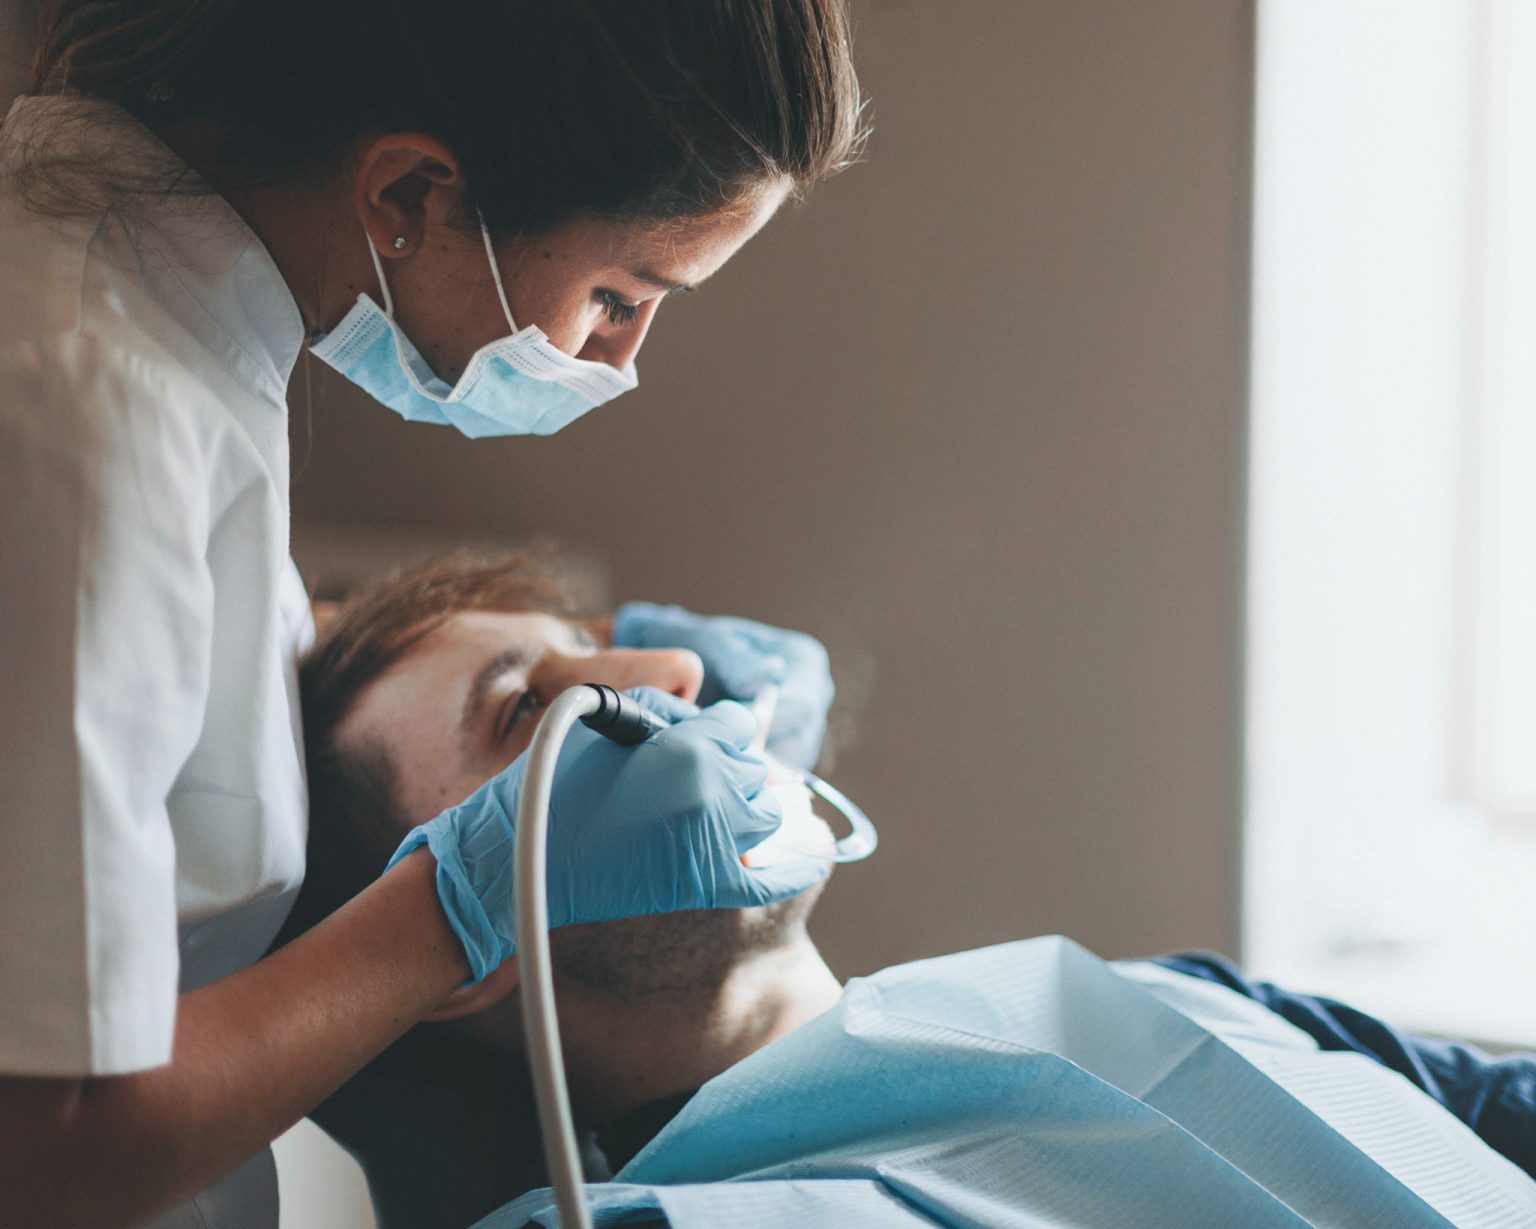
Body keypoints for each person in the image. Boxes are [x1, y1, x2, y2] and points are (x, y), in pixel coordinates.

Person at [0, 5, 865, 1225]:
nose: (621, 361)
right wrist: (457, 900)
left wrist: (552, 665)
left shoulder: (142, 329)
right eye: (621, 292)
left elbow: (135, 653)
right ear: (411, 189)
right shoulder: (86, 415)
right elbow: (43, 1154)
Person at [288, 550, 1536, 1227]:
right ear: (459, 922)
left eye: (602, 643)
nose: (666, 673)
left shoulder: (1165, 1001)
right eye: (525, 707)